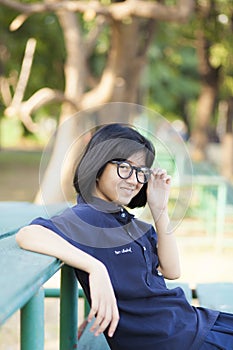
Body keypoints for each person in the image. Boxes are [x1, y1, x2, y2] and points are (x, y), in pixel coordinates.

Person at [16, 123, 233, 350]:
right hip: (170, 340)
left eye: (140, 171)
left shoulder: (128, 221)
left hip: (186, 324)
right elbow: (29, 234)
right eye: (125, 167)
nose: (134, 179)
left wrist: (160, 210)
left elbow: (172, 270)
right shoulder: (86, 217)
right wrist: (95, 267)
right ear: (98, 163)